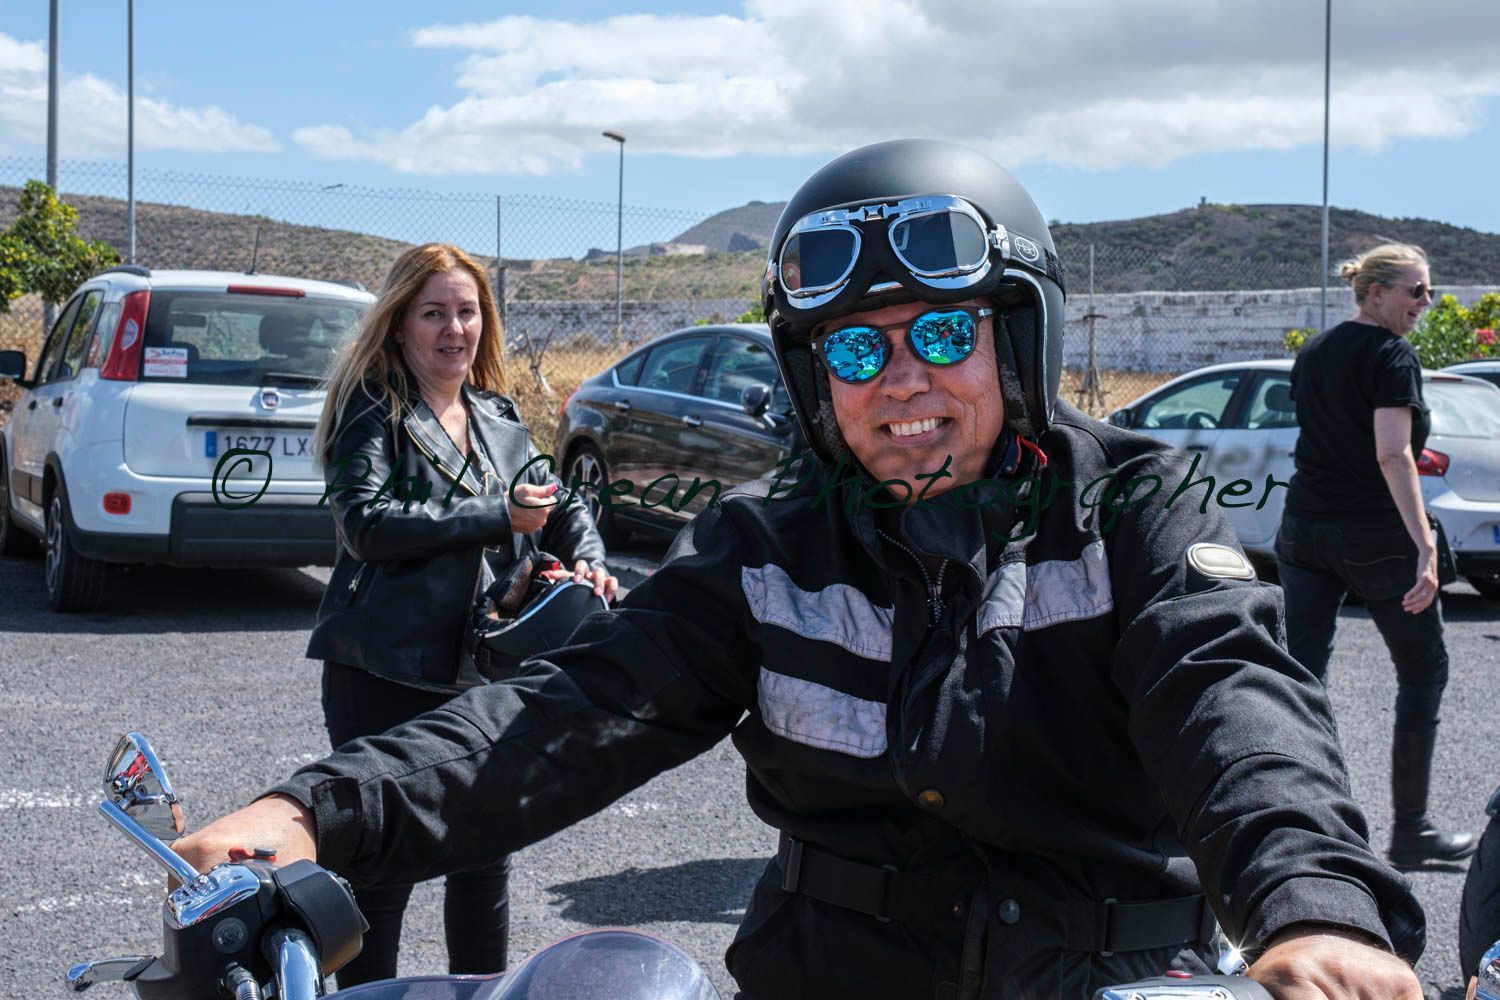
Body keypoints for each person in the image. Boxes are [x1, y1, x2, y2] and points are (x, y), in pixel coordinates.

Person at [176, 142, 1425, 999]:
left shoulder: (1133, 508)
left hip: (1098, 975)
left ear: (1021, 343)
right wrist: (315, 812)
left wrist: (1314, 907)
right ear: (811, 376)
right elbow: (567, 713)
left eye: (945, 333)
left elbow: (1239, 706)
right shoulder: (769, 542)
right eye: (858, 350)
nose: (905, 381)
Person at [306, 242, 618, 986]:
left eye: (468, 312)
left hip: (485, 672)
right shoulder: (370, 409)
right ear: (401, 322)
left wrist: (594, 562)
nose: (455, 329)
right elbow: (366, 524)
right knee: (381, 871)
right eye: (434, 313)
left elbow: (562, 502)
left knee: (485, 861)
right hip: (385, 669)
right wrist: (494, 518)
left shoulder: (498, 415)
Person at [1274, 242, 1476, 868]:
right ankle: (1410, 832)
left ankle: (1309, 826)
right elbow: (1395, 455)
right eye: (1417, 290)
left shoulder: (1315, 349)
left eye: (1430, 291)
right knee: (1424, 671)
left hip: (1304, 527)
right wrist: (1425, 545)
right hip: (1374, 536)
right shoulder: (1391, 355)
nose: (1426, 302)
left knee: (1302, 678)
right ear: (1377, 292)